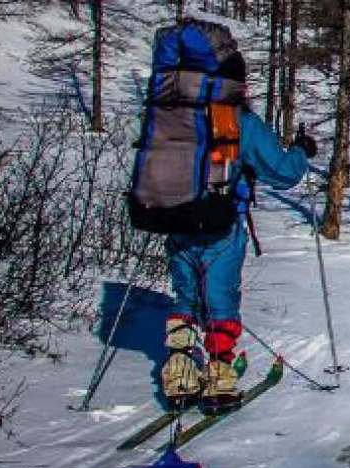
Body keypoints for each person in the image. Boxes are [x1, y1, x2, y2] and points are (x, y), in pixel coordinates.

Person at [131, 24, 315, 410]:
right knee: (220, 298)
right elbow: (283, 172)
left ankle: (180, 369)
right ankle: (218, 374)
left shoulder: (167, 112)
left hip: (172, 218)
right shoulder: (236, 121)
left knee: (185, 293)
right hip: (220, 226)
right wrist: (301, 150)